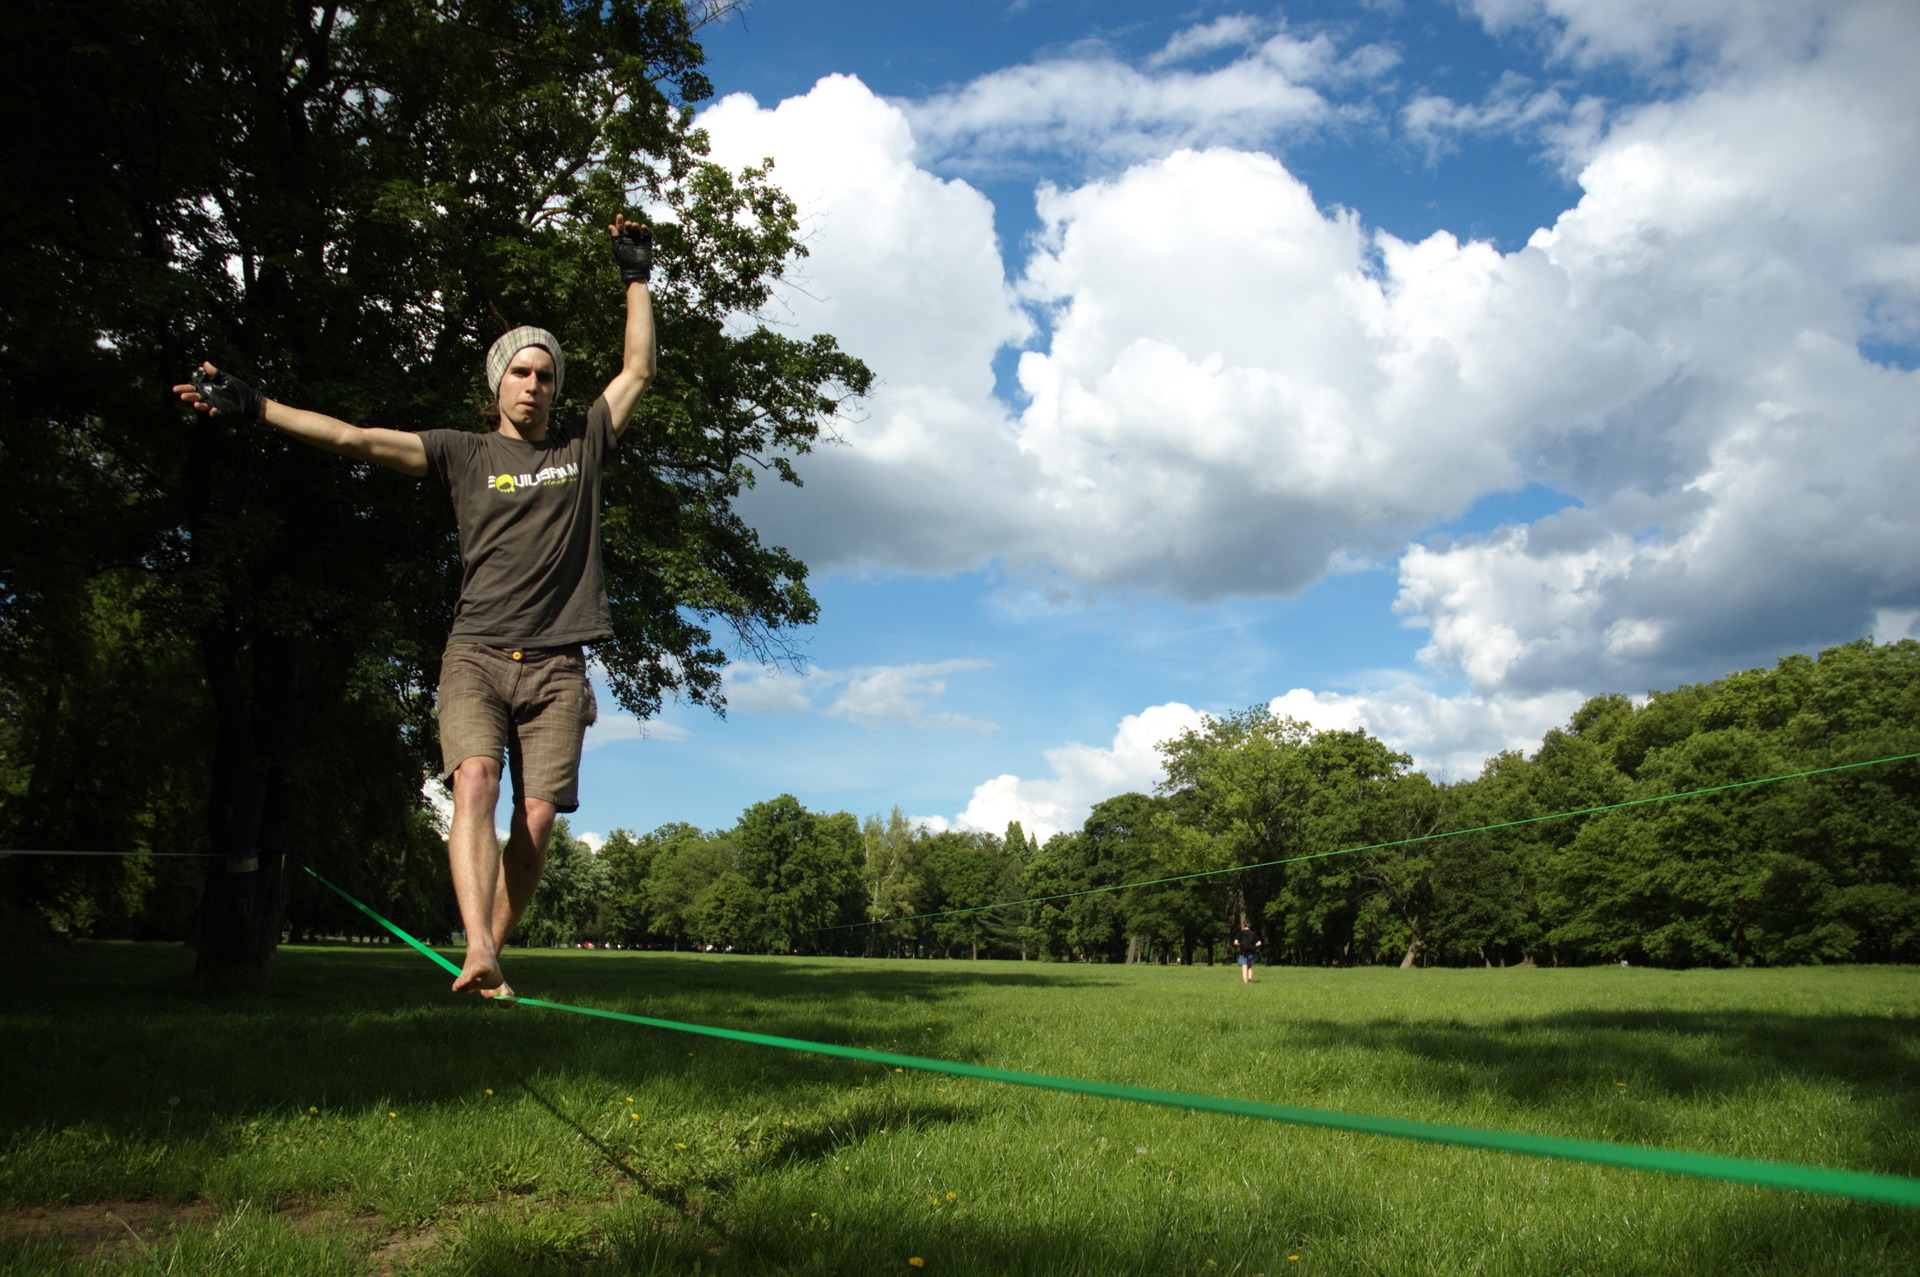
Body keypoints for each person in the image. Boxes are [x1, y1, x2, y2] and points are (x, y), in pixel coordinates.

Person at [173, 214, 657, 1000]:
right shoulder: (461, 452)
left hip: (559, 665)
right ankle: (477, 947)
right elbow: (354, 438)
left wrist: (637, 276)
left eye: (545, 375)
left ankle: (486, 957)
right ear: (496, 383)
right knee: (474, 784)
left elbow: (636, 372)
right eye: (520, 373)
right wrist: (257, 407)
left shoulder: (581, 446)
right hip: (475, 654)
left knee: (534, 824)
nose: (534, 385)